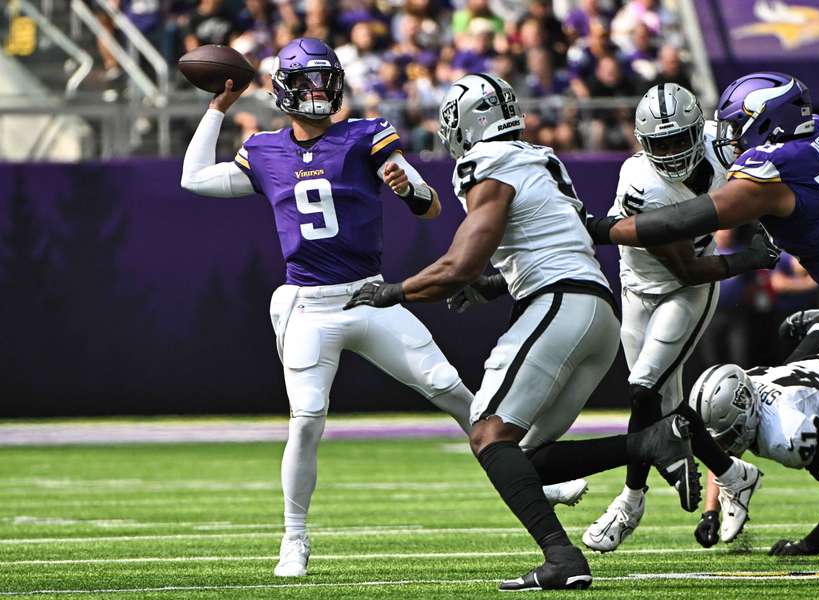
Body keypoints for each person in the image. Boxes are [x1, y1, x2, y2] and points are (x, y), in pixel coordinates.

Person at [179, 38, 583, 580]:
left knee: (451, 389)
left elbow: (429, 206)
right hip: (310, 306)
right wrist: (216, 107)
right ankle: (294, 538)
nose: (319, 92)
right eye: (307, 83)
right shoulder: (265, 149)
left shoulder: (364, 134)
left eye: (326, 80)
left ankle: (532, 474)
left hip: (371, 295)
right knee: (306, 422)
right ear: (284, 90)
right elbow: (193, 178)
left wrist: (407, 183)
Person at [344, 72, 702, 591]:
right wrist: (492, 286)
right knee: (523, 457)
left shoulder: (487, 163)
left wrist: (394, 291)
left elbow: (461, 263)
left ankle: (562, 556)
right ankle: (649, 442)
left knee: (487, 434)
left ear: (468, 123)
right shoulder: (539, 159)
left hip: (558, 303)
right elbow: (548, 238)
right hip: (594, 310)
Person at [587, 71, 819, 587]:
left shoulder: (773, 166)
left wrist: (600, 226)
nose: (730, 136)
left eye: (739, 125)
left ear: (768, 124)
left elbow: (679, 222)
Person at [583, 83, 779, 554]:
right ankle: (736, 474)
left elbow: (768, 169)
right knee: (664, 406)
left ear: (699, 131)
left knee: (644, 388)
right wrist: (750, 259)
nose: (670, 153)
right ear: (642, 142)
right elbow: (686, 262)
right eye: (660, 143)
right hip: (645, 285)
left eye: (678, 140)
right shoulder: (639, 180)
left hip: (688, 294)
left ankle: (629, 502)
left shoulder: (724, 144)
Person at [691, 303, 819, 554]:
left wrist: (807, 547)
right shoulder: (748, 387)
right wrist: (710, 512)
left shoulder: (787, 432)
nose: (725, 446)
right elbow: (722, 452)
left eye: (730, 434)